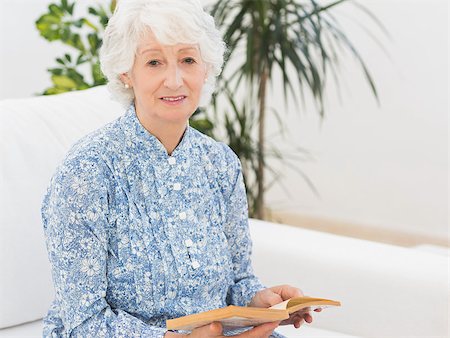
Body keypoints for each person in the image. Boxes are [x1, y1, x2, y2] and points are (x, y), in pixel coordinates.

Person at [41, 0, 317, 337]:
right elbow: (82, 322)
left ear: (206, 69)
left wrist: (262, 304)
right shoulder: (87, 171)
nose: (174, 80)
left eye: (187, 60)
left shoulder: (220, 164)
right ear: (126, 73)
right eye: (154, 62)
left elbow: (237, 280)